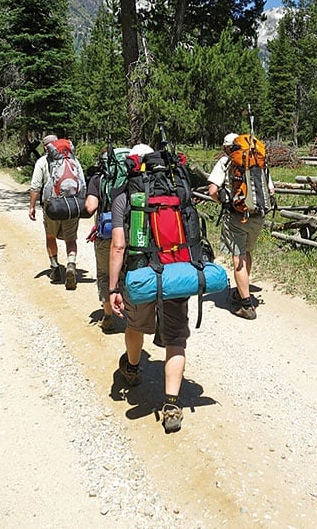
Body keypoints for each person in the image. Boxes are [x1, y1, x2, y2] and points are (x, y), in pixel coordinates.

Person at [108, 144, 187, 434]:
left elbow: (118, 245)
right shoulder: (177, 189)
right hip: (176, 273)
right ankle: (171, 404)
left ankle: (131, 368)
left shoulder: (125, 196)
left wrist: (113, 287)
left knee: (136, 325)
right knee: (176, 339)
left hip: (141, 274)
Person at [207, 132, 275, 320]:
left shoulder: (226, 162)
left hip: (237, 216)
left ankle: (245, 305)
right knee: (247, 252)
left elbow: (212, 190)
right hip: (258, 216)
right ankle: (242, 291)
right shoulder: (258, 160)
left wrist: (225, 202)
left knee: (238, 258)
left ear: (227, 147)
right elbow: (270, 190)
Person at [28, 134, 84, 290]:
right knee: (71, 238)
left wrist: (32, 206)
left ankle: (55, 267)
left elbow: (35, 187)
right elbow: (82, 183)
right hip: (71, 205)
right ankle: (71, 264)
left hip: (52, 206)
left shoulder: (42, 162)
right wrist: (82, 203)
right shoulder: (73, 160)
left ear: (46, 147)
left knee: (50, 236)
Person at [84, 167, 115, 332]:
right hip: (131, 233)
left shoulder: (98, 179)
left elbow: (91, 207)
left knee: (105, 274)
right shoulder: (131, 176)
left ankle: (109, 315)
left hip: (106, 233)